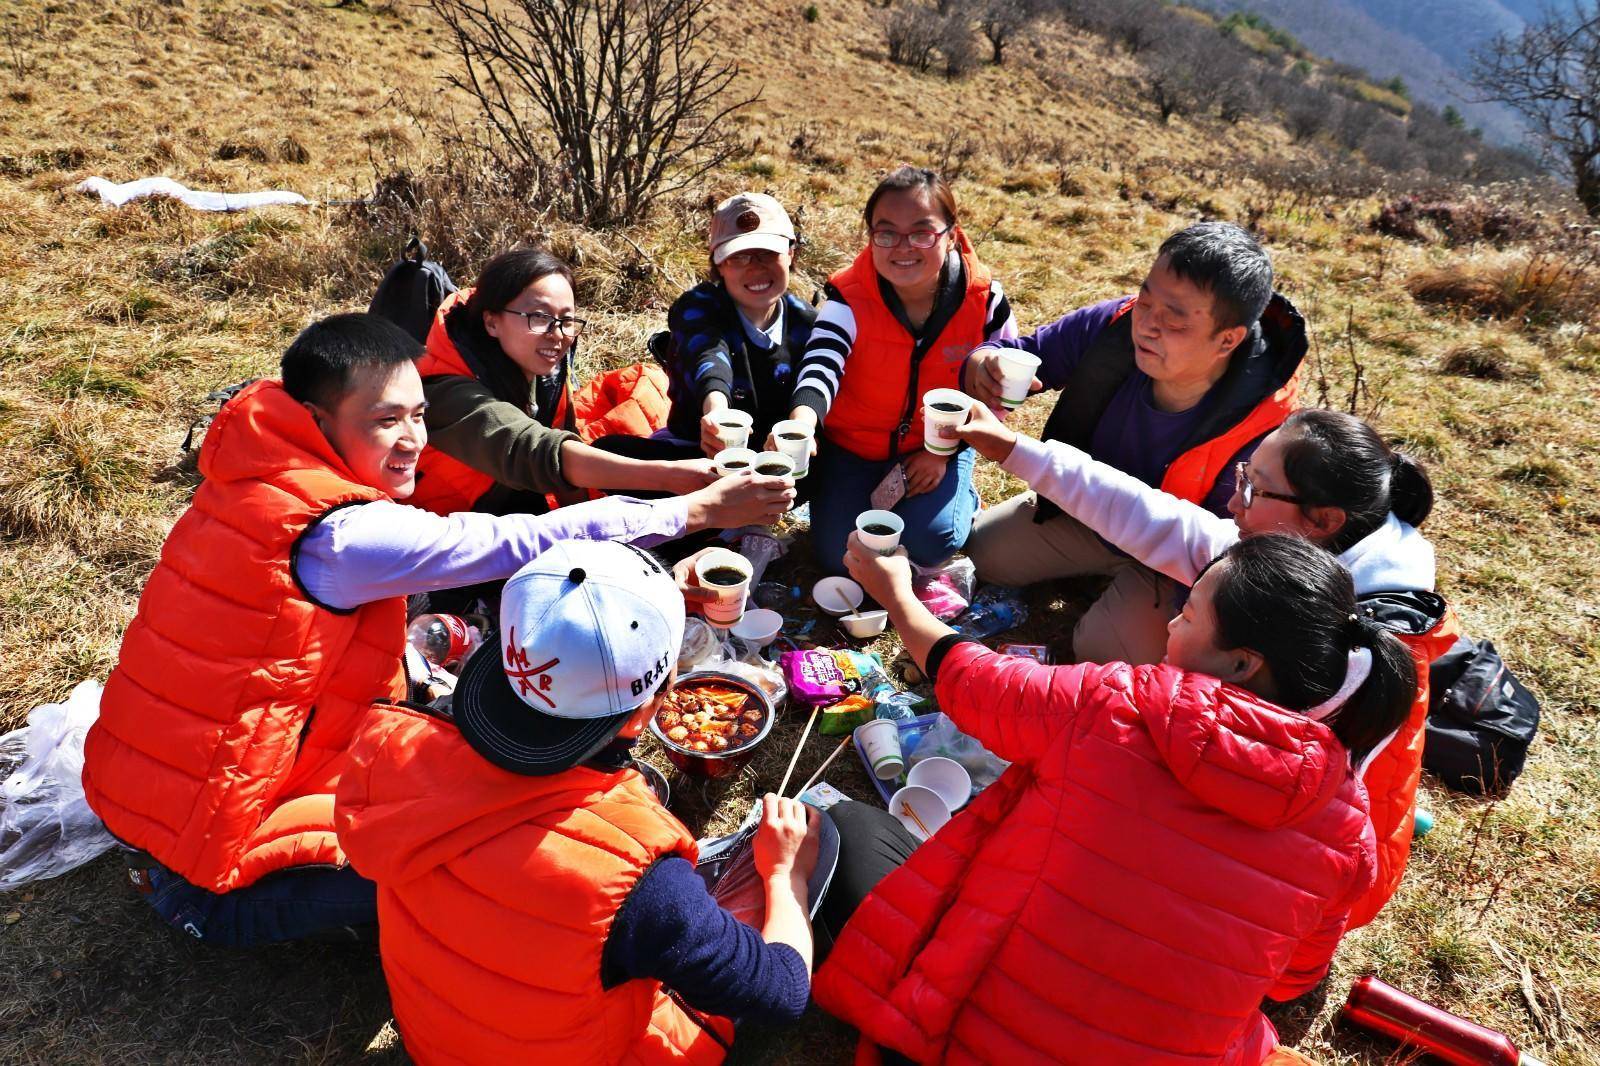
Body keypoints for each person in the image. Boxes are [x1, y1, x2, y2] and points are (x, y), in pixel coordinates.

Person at [82, 313, 791, 947]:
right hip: (203, 864)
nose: (412, 439)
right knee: (467, 860)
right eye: (383, 420)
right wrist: (693, 510)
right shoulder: (336, 536)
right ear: (315, 418)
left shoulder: (254, 481)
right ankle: (218, 904)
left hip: (164, 794)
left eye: (418, 415)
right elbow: (519, 542)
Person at [814, 532, 1417, 1065]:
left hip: (958, 1037)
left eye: (1190, 613)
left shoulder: (1119, 702)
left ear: (1240, 663)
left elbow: (972, 682)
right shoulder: (1348, 826)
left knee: (842, 824)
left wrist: (897, 595)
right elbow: (1293, 982)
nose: (1173, 622)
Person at [958, 402, 1459, 928]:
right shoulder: (1305, 559)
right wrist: (1014, 449)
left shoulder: (1338, 646)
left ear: (1322, 521)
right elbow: (1147, 514)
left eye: (1254, 489)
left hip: (1311, 902)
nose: (1233, 501)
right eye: (1244, 476)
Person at [336, 540, 820, 1065]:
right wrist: (784, 874)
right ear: (643, 717)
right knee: (809, 852)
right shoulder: (642, 885)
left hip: (435, 1041)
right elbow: (781, 992)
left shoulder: (395, 746)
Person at [961, 221, 1306, 664]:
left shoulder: (1265, 426)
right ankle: (1098, 578)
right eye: (1146, 299)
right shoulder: (1114, 328)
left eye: (1174, 318)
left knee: (1104, 648)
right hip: (1082, 514)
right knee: (986, 553)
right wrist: (984, 361)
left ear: (1228, 339)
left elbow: (1235, 555)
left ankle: (1120, 595)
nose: (1147, 324)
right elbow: (1026, 352)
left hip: (1172, 565)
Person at [786, 165, 1017, 571]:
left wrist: (944, 451)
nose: (903, 247)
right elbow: (822, 362)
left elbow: (999, 392)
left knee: (933, 543)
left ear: (951, 233)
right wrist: (802, 424)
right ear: (871, 236)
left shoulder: (984, 301)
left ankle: (961, 492)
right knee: (841, 559)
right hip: (854, 448)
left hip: (936, 448)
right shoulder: (848, 297)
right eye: (886, 232)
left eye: (922, 232)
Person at [409, 247, 716, 517]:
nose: (558, 335)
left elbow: (562, 446)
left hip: (517, 495)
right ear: (492, 322)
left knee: (617, 450)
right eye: (539, 317)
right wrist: (668, 476)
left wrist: (585, 529)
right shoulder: (446, 390)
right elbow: (534, 451)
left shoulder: (543, 370)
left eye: (566, 320)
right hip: (448, 522)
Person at [598, 192, 817, 463]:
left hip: (779, 461)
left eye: (767, 254)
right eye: (739, 258)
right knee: (609, 451)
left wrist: (802, 431)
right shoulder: (697, 308)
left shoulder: (807, 321)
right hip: (697, 453)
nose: (756, 269)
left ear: (791, 254)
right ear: (719, 264)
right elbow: (709, 357)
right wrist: (716, 413)